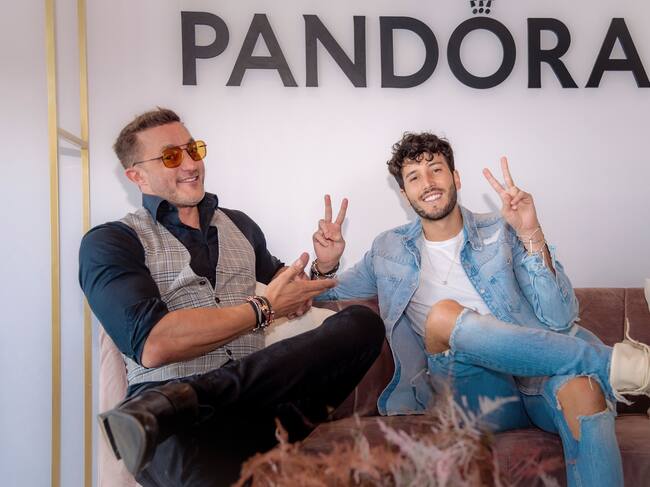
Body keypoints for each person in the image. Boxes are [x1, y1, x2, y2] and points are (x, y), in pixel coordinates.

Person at [311, 132, 650, 486]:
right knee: (443, 314)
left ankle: (617, 371)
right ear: (404, 193)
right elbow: (322, 297)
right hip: (469, 389)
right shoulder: (388, 250)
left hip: (538, 379)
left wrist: (531, 233)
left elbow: (560, 317)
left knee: (585, 390)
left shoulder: (502, 230)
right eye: (414, 177)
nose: (427, 183)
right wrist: (325, 266)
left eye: (436, 169)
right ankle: (624, 367)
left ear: (456, 178)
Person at [78, 108, 385, 487]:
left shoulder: (240, 225)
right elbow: (153, 344)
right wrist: (262, 309)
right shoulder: (110, 242)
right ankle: (176, 403)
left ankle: (190, 397)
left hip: (260, 404)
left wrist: (324, 266)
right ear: (136, 176)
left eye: (193, 149)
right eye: (171, 156)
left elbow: (291, 294)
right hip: (170, 425)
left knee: (363, 324)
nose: (191, 164)